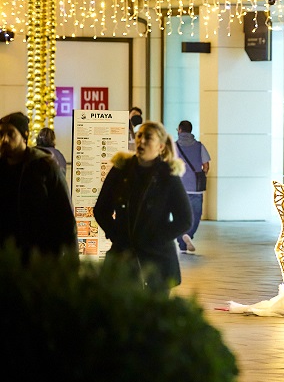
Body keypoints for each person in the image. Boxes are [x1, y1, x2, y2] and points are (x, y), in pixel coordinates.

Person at [94, 120, 192, 293]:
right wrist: (117, 234)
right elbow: (101, 209)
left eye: (148, 138)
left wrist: (156, 238)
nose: (142, 141)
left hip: (157, 260)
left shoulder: (167, 175)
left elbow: (185, 219)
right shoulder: (121, 170)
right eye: (139, 136)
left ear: (160, 146)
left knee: (153, 315)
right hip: (123, 255)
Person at [0, 112, 76, 262]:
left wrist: (71, 262)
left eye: (11, 134)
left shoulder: (44, 166)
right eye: (1, 134)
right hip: (6, 258)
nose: (4, 140)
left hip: (40, 257)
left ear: (24, 135)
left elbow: (65, 216)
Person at [175, 120, 211, 252]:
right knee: (196, 214)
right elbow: (206, 166)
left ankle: (182, 242)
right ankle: (188, 235)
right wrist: (200, 173)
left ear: (179, 130)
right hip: (195, 188)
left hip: (178, 188)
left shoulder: (173, 147)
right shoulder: (199, 146)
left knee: (179, 215)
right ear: (191, 130)